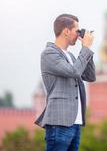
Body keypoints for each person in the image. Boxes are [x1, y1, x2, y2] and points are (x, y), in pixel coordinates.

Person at [35, 14, 96, 151]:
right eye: (77, 30)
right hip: (59, 122)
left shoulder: (72, 57)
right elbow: (74, 71)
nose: (78, 34)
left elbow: (90, 76)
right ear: (66, 31)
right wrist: (85, 49)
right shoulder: (49, 54)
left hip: (75, 123)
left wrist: (86, 49)